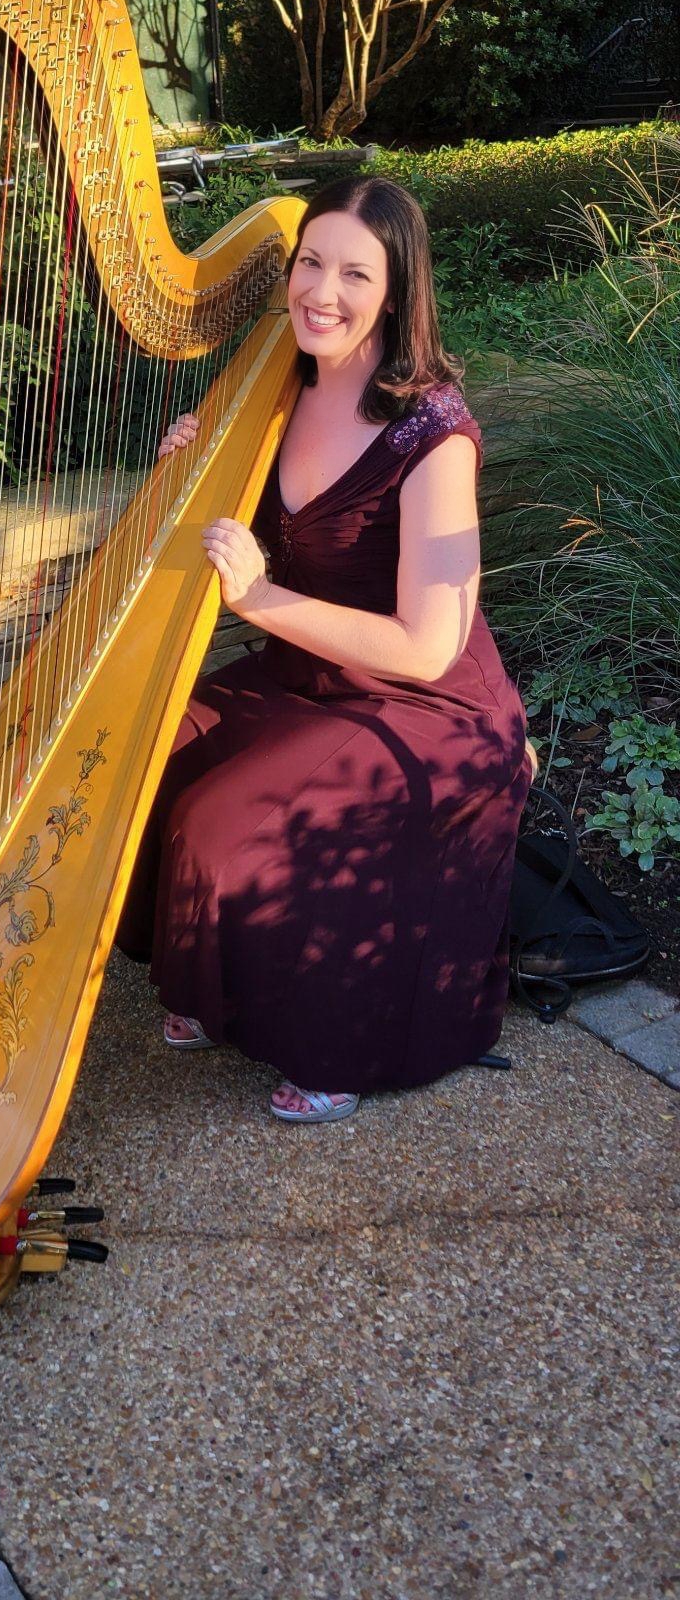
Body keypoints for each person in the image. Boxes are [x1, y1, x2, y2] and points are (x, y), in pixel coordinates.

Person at [118, 176, 532, 1124]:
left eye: (356, 273)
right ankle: (212, 980)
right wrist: (187, 463)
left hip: (423, 709)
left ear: (397, 292)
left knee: (220, 824)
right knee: (150, 741)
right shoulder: (271, 393)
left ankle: (332, 1045)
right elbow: (198, 544)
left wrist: (261, 597)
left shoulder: (434, 436)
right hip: (310, 676)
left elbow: (428, 646)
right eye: (311, 263)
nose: (322, 292)